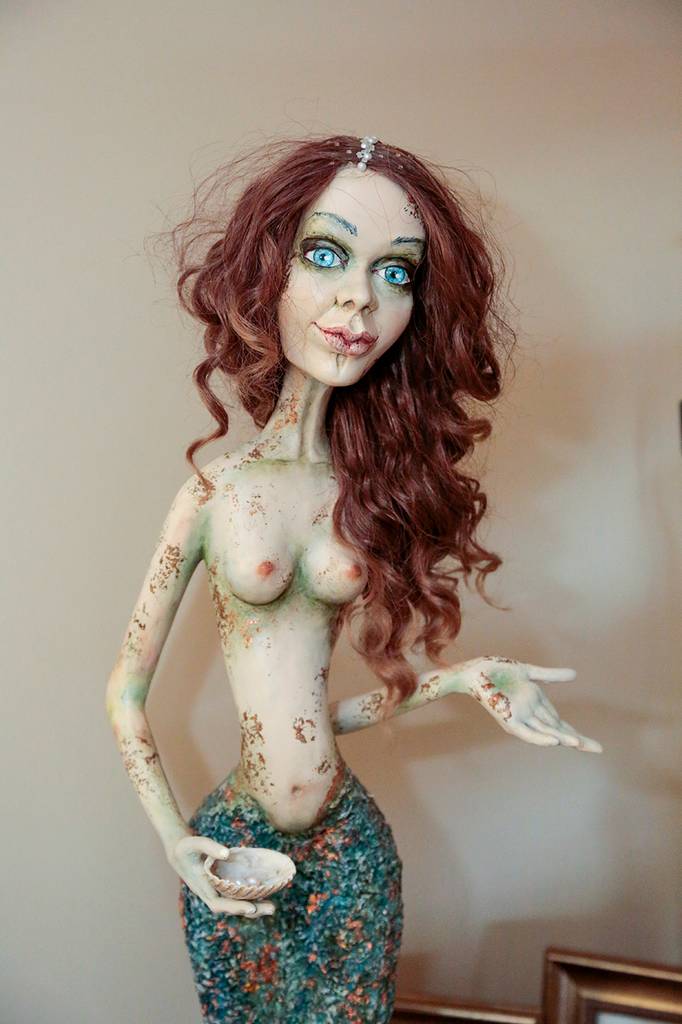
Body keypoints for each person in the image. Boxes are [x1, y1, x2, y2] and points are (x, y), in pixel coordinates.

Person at [106, 135, 601, 1024]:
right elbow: (126, 692)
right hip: (237, 846)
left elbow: (312, 714)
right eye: (327, 255)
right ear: (269, 271)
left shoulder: (368, 494)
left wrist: (461, 679)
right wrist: (177, 839)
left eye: (396, 273)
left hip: (349, 848)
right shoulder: (217, 492)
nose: (360, 300)